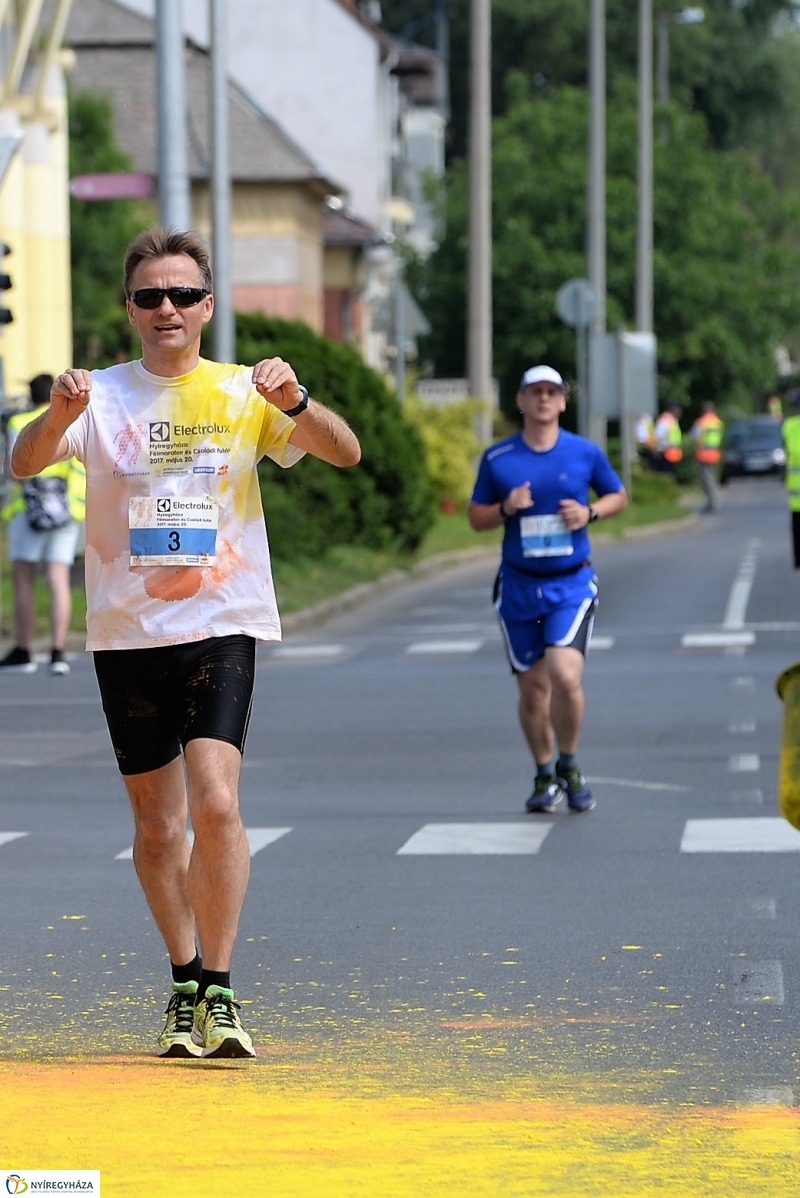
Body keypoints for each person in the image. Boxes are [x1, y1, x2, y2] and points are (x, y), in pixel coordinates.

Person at [11, 227, 361, 1059]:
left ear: (207, 305)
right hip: (128, 632)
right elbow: (24, 464)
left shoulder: (245, 391)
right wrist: (56, 416)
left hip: (220, 623)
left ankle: (223, 993)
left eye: (181, 294)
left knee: (217, 803)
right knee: (160, 827)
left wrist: (296, 403)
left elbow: (345, 454)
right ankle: (183, 980)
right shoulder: (98, 395)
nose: (165, 307)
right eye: (149, 296)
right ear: (131, 309)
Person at [468, 365, 627, 815]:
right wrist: (505, 507)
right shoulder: (499, 458)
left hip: (570, 584)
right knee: (533, 690)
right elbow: (476, 517)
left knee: (565, 677)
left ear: (562, 401)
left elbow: (618, 495)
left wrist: (589, 513)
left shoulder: (584, 452)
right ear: (521, 399)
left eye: (551, 392)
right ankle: (544, 775)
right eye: (535, 391)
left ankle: (569, 765)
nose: (543, 398)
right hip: (519, 588)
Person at [0, 373, 86, 675]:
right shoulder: (69, 419)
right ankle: (58, 651)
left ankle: (23, 649)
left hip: (27, 510)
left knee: (24, 579)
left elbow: (15, 469)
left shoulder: (18, 422)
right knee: (58, 578)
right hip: (65, 509)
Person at [690, 400, 724, 514]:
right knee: (712, 478)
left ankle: (712, 502)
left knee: (707, 479)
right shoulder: (718, 422)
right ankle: (713, 499)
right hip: (714, 452)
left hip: (704, 453)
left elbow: (695, 438)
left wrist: (695, 450)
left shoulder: (701, 422)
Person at [653, 402, 684, 473]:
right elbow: (658, 436)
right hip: (665, 454)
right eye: (679, 410)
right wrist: (662, 448)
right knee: (666, 474)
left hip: (671, 454)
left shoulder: (672, 420)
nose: (680, 413)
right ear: (674, 410)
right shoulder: (665, 421)